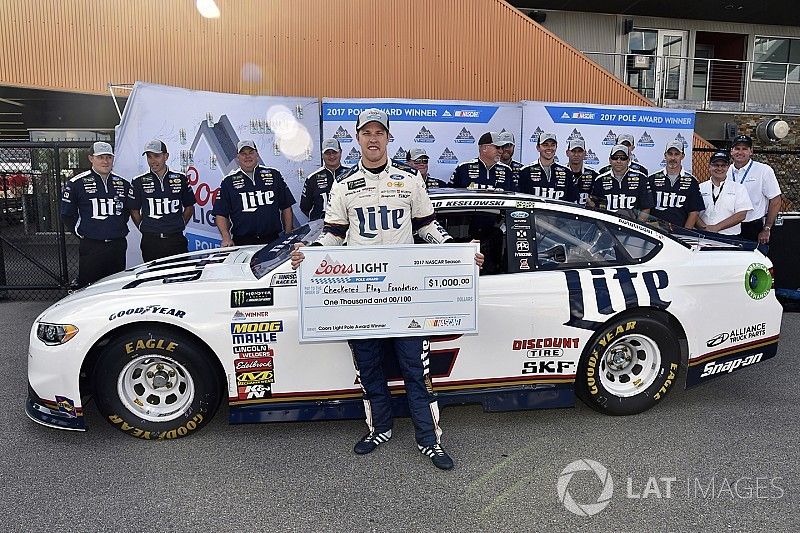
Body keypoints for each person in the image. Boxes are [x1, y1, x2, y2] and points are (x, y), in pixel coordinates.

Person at [289, 108, 484, 471]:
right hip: (360, 296)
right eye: (367, 132)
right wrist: (310, 256)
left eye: (380, 132)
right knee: (368, 367)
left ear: (388, 138)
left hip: (405, 295)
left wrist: (460, 256)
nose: (373, 138)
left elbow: (427, 227)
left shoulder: (410, 180)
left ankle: (429, 439)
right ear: (357, 137)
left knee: (416, 369)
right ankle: (379, 428)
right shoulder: (343, 184)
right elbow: (333, 234)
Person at [60, 141, 133, 287]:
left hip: (117, 245)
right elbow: (67, 214)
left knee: (115, 287)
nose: (105, 161)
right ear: (91, 158)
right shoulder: (76, 183)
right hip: (92, 246)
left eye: (108, 157)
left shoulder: (123, 184)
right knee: (89, 287)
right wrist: (82, 232)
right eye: (100, 157)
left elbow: (126, 212)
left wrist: (115, 227)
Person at [212, 140, 295, 246]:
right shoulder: (228, 181)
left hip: (272, 239)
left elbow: (286, 206)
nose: (247, 156)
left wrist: (288, 232)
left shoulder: (274, 175)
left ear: (257, 154)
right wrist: (226, 237)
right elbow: (220, 213)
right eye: (243, 154)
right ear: (238, 157)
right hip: (243, 241)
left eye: (251, 152)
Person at [130, 139, 196, 261]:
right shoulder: (138, 181)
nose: (153, 161)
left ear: (166, 156)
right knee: (153, 278)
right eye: (149, 157)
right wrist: (143, 227)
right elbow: (133, 209)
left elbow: (189, 206)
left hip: (176, 239)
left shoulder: (180, 178)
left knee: (180, 276)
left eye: (157, 156)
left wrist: (180, 223)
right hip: (151, 241)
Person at [726, 134, 782, 253]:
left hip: (753, 227)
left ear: (751, 151)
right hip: (729, 227)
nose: (740, 152)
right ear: (731, 151)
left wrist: (767, 228)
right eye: (737, 148)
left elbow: (776, 200)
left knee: (754, 266)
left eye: (745, 149)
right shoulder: (725, 171)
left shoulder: (764, 171)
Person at [647, 140, 704, 229]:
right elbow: (646, 208)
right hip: (656, 232)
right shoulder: (652, 179)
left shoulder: (692, 181)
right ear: (665, 155)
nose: (673, 158)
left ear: (682, 156)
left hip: (680, 234)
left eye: (676, 154)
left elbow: (694, 212)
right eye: (670, 154)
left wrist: (685, 233)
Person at [590, 144, 653, 220]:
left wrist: (637, 225)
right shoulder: (600, 179)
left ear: (628, 160)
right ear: (610, 160)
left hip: (631, 227)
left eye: (623, 158)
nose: (618, 161)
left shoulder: (641, 178)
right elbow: (594, 206)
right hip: (606, 225)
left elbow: (646, 208)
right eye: (615, 158)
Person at [698, 151, 752, 236]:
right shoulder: (700, 188)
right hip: (703, 235)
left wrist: (716, 227)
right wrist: (704, 227)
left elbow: (741, 215)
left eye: (723, 165)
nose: (719, 168)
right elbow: (693, 212)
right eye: (716, 165)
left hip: (729, 237)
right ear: (709, 167)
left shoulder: (739, 188)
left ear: (728, 167)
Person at [518, 132, 577, 202]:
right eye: (545, 145)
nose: (549, 148)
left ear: (556, 147)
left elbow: (573, 199)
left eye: (552, 145)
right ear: (538, 148)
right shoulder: (525, 171)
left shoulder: (567, 172)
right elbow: (519, 199)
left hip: (558, 212)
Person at [300, 138, 349, 221]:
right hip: (321, 228)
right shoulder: (312, 178)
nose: (331, 156)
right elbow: (305, 207)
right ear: (322, 155)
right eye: (327, 153)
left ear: (340, 152)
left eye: (334, 152)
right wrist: (318, 220)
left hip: (348, 226)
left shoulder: (352, 174)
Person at [450, 132, 515, 190]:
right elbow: (451, 192)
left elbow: (514, 195)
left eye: (502, 148)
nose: (501, 151)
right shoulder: (463, 168)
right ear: (484, 148)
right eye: (497, 147)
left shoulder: (507, 170)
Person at [564, 139, 598, 207]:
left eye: (580, 151)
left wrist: (594, 205)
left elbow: (598, 200)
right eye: (573, 151)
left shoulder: (594, 174)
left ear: (585, 153)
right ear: (567, 153)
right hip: (564, 214)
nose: (576, 155)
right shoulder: (561, 172)